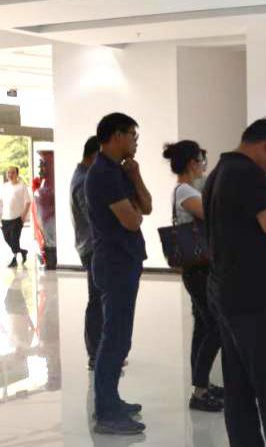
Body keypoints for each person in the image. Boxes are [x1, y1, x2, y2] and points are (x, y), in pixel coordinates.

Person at [204, 118, 266, 447]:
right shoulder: (248, 174)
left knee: (238, 386)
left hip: (227, 291)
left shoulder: (219, 171)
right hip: (255, 298)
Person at [85, 112, 152, 434]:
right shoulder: (103, 174)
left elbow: (146, 207)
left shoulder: (120, 171)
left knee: (120, 338)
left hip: (124, 260)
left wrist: (136, 176)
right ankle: (107, 413)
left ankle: (111, 400)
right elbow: (132, 220)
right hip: (114, 263)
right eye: (132, 136)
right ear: (116, 136)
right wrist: (135, 210)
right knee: (114, 339)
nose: (135, 142)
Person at [162, 140, 224, 412]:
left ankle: (202, 384)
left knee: (203, 325)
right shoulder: (185, 190)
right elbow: (212, 215)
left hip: (198, 268)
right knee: (215, 326)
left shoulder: (187, 189)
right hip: (198, 269)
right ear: (191, 163)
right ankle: (199, 391)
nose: (203, 166)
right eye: (201, 161)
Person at [70, 136, 102, 369]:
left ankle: (100, 351)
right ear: (94, 155)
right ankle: (95, 354)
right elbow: (93, 217)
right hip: (92, 247)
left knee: (99, 299)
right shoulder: (83, 180)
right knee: (97, 300)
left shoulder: (82, 175)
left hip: (89, 245)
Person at [1, 166, 31, 268]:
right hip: (5, 218)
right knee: (7, 239)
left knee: (14, 240)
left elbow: (28, 202)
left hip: (17, 218)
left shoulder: (22, 186)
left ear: (17, 174)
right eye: (8, 172)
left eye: (13, 172)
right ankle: (23, 252)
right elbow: (1, 202)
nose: (10, 174)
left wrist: (23, 216)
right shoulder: (4, 186)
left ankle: (14, 259)